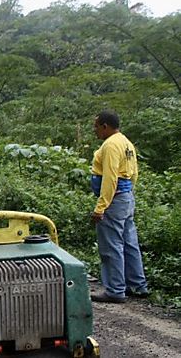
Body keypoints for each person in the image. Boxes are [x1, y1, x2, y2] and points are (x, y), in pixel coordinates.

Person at [90, 110, 148, 303]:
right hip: (126, 197)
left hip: (114, 200)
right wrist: (128, 193)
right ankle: (137, 284)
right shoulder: (126, 142)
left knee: (111, 244)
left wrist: (101, 207)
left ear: (105, 126)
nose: (95, 130)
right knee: (129, 241)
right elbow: (134, 174)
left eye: (96, 126)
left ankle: (115, 289)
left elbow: (110, 178)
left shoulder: (111, 145)